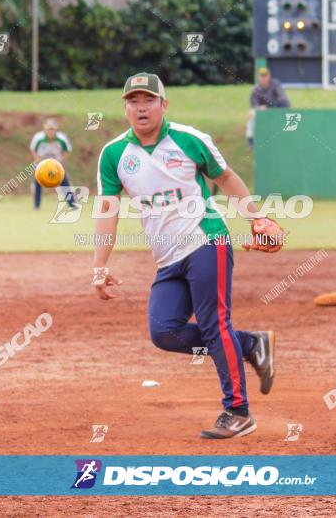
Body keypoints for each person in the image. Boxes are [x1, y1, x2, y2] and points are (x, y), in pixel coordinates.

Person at [91, 72, 286, 439]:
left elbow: (225, 178)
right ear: (125, 108)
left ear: (164, 104)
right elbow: (107, 209)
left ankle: (238, 410)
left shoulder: (190, 140)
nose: (141, 107)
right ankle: (251, 344)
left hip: (206, 241)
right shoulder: (115, 153)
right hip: (168, 259)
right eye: (133, 101)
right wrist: (99, 266)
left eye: (149, 100)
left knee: (214, 325)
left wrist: (256, 217)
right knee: (163, 331)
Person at [30, 118, 78, 210]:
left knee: (65, 182)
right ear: (45, 129)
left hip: (56, 165)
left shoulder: (62, 138)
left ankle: (72, 204)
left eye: (52, 129)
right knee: (38, 183)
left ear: (56, 129)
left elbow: (67, 150)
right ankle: (36, 206)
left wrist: (61, 161)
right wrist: (37, 160)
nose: (51, 131)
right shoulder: (38, 138)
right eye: (49, 129)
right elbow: (33, 149)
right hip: (42, 165)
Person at [247, 67, 290, 149]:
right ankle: (251, 141)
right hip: (262, 112)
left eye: (265, 75)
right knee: (251, 114)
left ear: (269, 76)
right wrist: (259, 108)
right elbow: (253, 105)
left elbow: (284, 100)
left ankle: (287, 137)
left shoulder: (275, 84)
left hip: (275, 110)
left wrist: (271, 107)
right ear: (259, 77)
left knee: (288, 113)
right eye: (262, 76)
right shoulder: (256, 89)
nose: (264, 78)